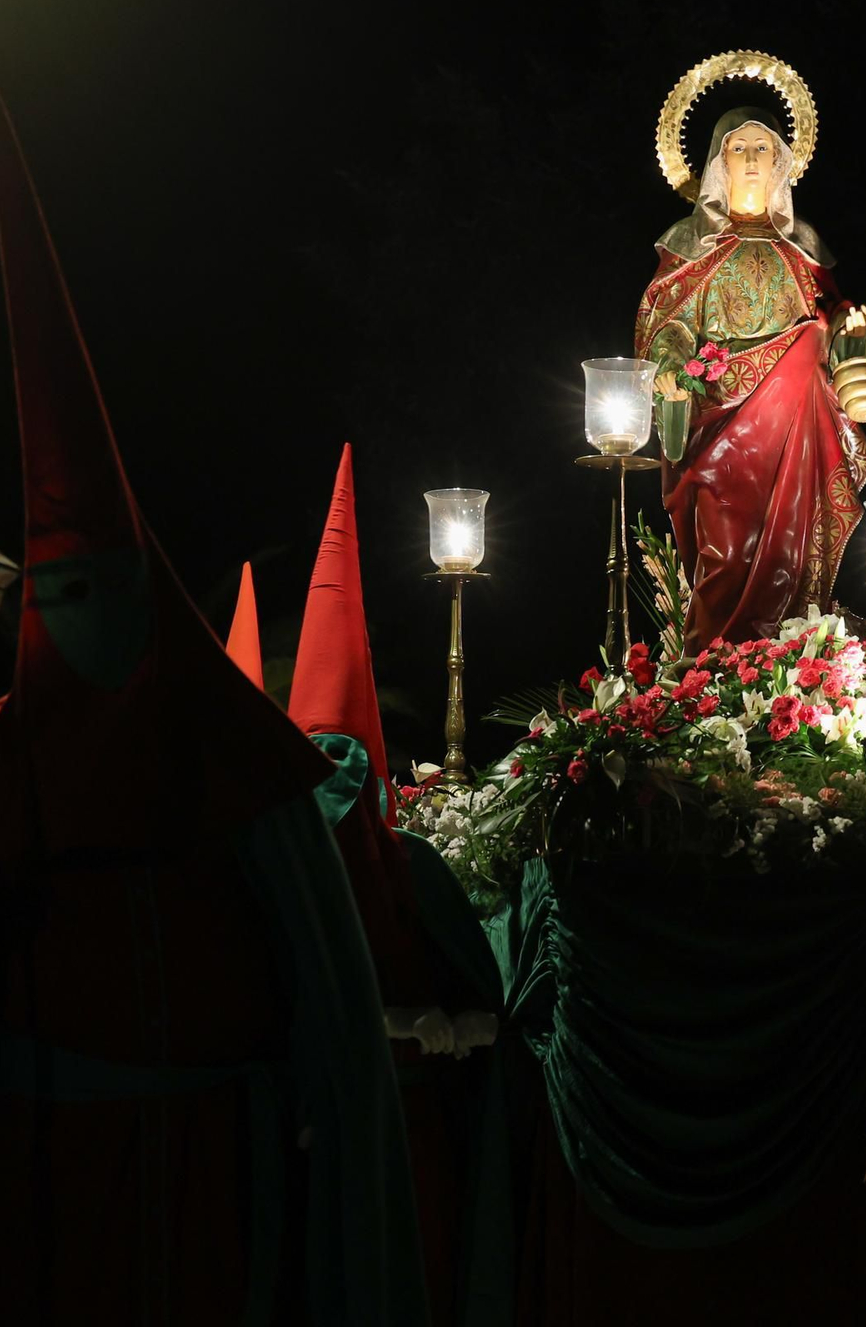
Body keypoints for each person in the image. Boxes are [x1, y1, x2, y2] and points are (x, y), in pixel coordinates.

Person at [0, 64, 427, 1324]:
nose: (82, 627)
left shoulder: (234, 754)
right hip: (45, 1194)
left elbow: (326, 994)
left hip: (218, 1191)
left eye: (105, 592)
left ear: (153, 590)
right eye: (54, 601)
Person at [287, 444, 507, 1324]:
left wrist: (445, 1031)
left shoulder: (400, 866)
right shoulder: (371, 864)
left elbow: (482, 1000)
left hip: (392, 1135)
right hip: (333, 1136)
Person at [639, 106, 866, 650]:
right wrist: (675, 370)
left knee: (787, 550)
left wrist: (847, 326)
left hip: (795, 426)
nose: (751, 160)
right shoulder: (689, 244)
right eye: (739, 148)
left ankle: (787, 664)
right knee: (728, 550)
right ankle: (713, 672)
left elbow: (833, 317)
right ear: (718, 163)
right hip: (720, 428)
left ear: (782, 164)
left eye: (763, 148)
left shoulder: (803, 250)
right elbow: (667, 326)